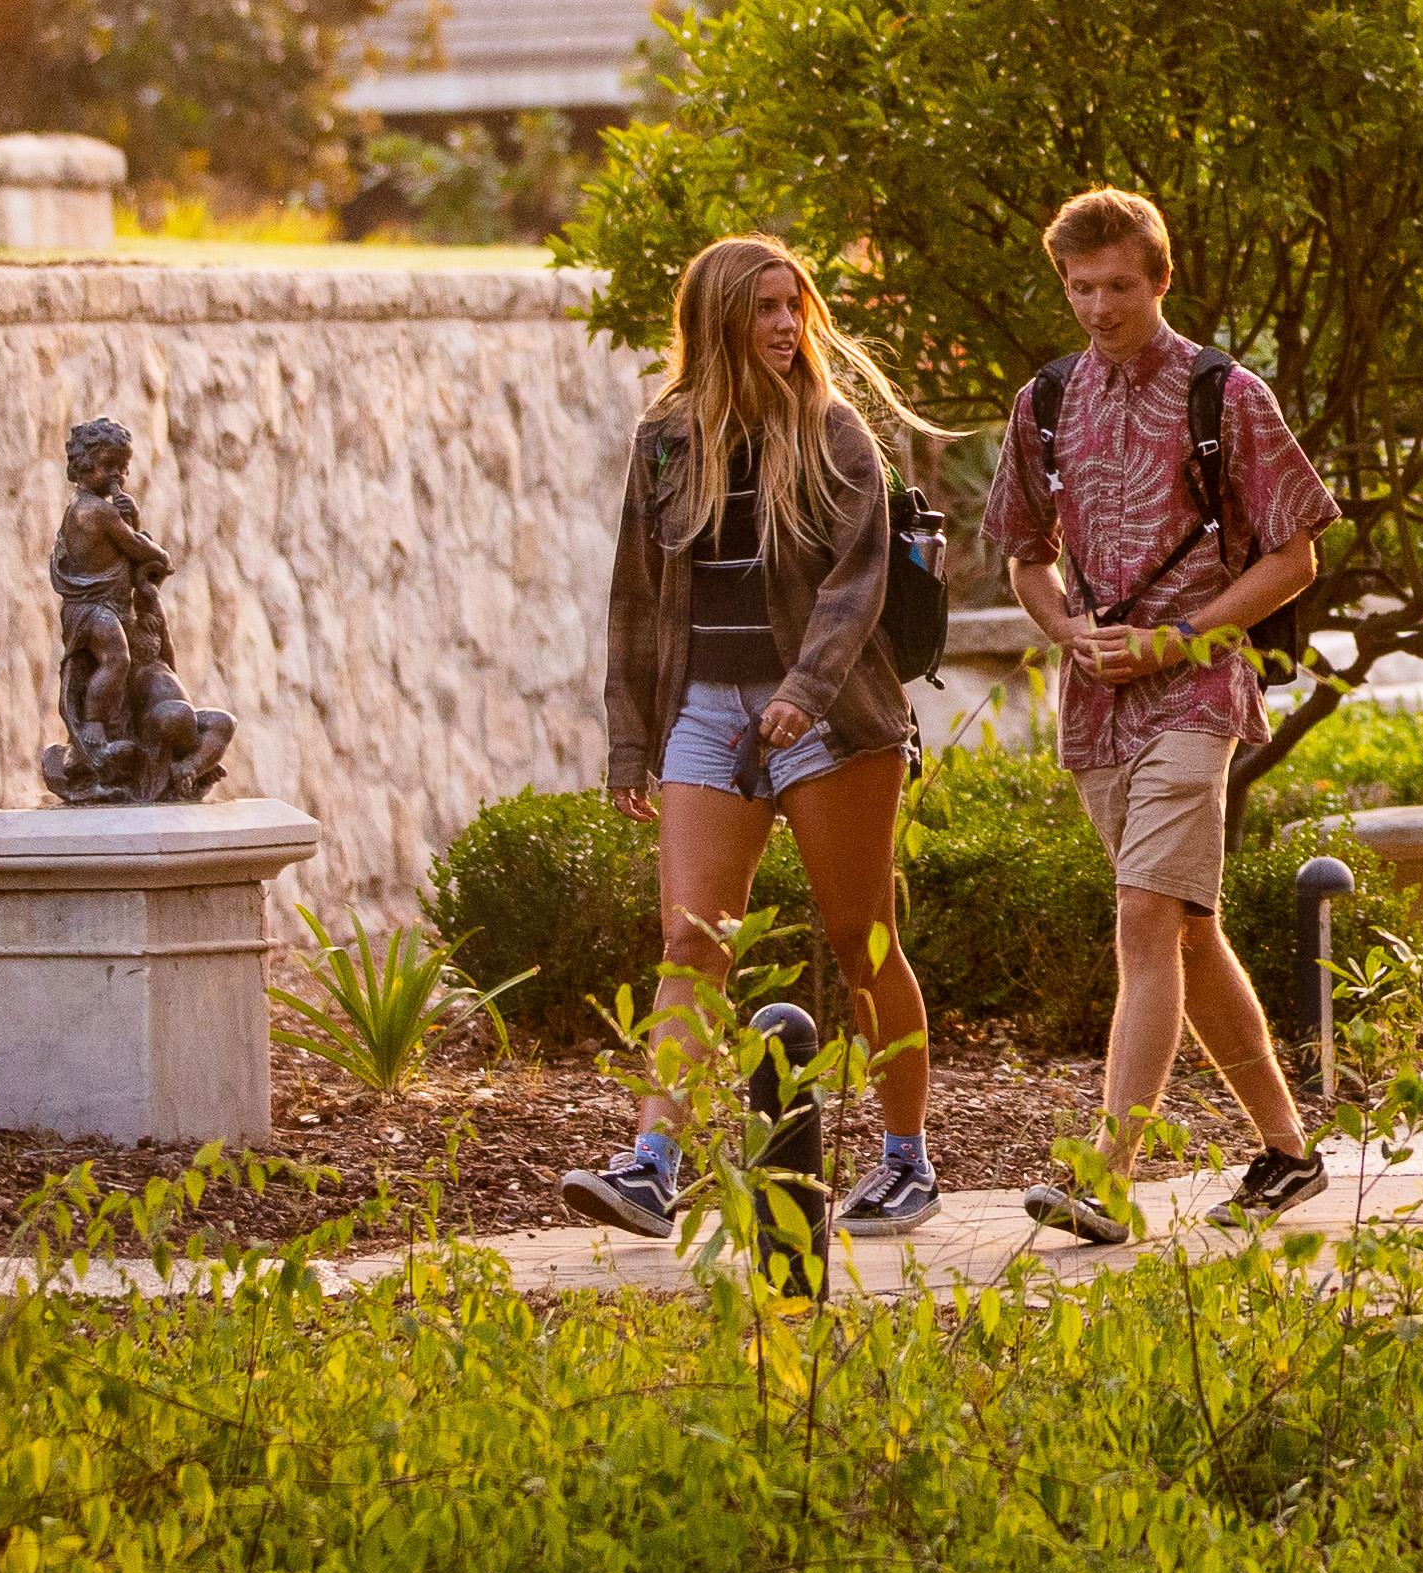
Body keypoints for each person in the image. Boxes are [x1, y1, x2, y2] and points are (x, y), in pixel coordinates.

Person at [567, 233, 941, 1241]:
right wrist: (631, 745)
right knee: (690, 944)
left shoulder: (835, 433)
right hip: (706, 711)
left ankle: (906, 1158)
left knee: (862, 942)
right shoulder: (667, 441)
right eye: (765, 308)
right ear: (716, 320)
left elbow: (857, 582)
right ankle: (654, 1161)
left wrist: (805, 691)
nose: (787, 325)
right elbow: (636, 603)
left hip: (834, 721)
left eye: (794, 305)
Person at [993, 182, 1335, 1244]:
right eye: (1082, 287)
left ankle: (1106, 1173)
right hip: (1097, 705)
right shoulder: (1045, 399)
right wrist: (1065, 630)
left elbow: (1296, 553)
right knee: (1187, 931)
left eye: (1120, 286)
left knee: (1144, 918)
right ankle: (1287, 1150)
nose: (1099, 306)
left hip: (1197, 688)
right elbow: (1024, 552)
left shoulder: (1226, 395)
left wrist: (1183, 638)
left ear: (1161, 279)